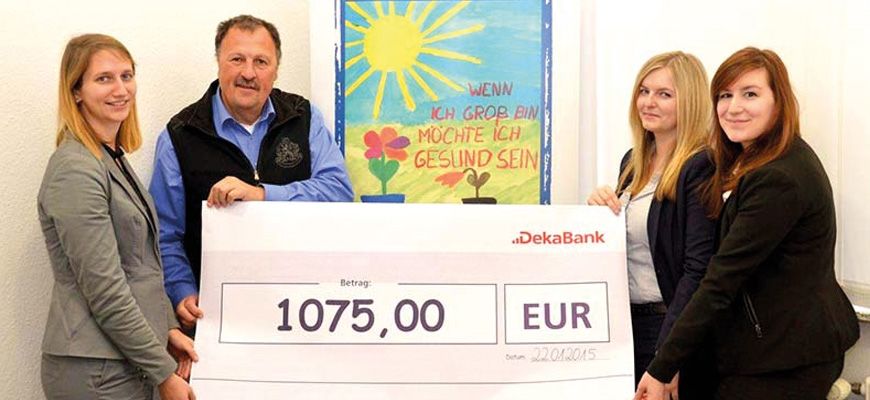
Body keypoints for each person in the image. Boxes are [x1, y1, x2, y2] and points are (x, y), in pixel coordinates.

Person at [635, 47, 860, 400]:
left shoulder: (779, 178)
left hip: (787, 357)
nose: (733, 107)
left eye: (750, 94)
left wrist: (663, 364)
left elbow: (721, 277)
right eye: (725, 95)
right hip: (764, 349)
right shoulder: (748, 161)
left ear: (778, 102)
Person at [150, 15, 354, 330]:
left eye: (261, 61)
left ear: (276, 69)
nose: (248, 73)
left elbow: (338, 193)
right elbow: (165, 234)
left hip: (303, 312)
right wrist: (182, 291)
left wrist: (263, 195)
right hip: (219, 319)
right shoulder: (179, 135)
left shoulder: (303, 117)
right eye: (237, 59)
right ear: (218, 62)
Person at [38, 34, 197, 399]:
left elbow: (140, 268)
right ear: (76, 91)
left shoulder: (111, 158)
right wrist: (163, 373)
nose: (121, 89)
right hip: (96, 371)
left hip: (124, 360)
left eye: (127, 75)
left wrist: (167, 328)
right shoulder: (75, 169)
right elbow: (106, 290)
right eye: (104, 78)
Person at [587, 51, 717, 397]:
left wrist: (669, 355)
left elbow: (698, 269)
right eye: (644, 91)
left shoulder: (700, 167)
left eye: (664, 94)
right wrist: (599, 212)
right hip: (623, 325)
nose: (648, 102)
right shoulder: (632, 162)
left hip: (664, 328)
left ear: (689, 101)